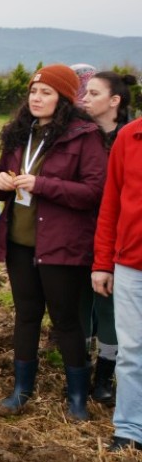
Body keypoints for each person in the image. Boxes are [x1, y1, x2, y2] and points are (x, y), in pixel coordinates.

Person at [0, 65, 107, 420]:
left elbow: (94, 191)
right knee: (26, 316)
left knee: (65, 320)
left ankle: (76, 398)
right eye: (33, 92)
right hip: (20, 241)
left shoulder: (82, 136)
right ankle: (20, 390)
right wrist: (2, 183)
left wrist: (41, 185)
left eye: (46, 93)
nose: (36, 99)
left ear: (64, 98)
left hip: (61, 245)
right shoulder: (20, 134)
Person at [83, 71, 137, 404]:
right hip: (80, 233)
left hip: (118, 239)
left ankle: (105, 375)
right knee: (81, 307)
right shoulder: (79, 136)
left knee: (109, 310)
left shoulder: (128, 139)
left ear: (114, 101)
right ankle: (78, 369)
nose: (84, 99)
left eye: (92, 93)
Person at [92, 116, 142, 450]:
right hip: (131, 263)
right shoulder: (130, 136)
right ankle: (129, 429)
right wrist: (102, 263)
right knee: (132, 349)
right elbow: (111, 202)